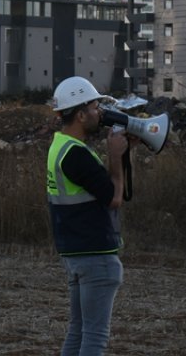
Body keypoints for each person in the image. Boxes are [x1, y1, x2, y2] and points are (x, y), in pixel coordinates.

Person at [46, 76, 135, 356]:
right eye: (95, 107)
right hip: (95, 254)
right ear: (81, 115)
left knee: (78, 331)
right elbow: (115, 198)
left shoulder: (60, 147)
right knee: (95, 337)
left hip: (75, 252)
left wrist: (122, 155)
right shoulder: (76, 155)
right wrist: (115, 158)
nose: (100, 113)